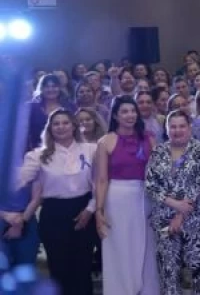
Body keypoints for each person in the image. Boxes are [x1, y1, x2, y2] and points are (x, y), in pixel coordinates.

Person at [18, 109, 97, 295]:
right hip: (54, 215)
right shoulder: (37, 155)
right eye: (56, 124)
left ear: (74, 126)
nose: (61, 127)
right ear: (50, 128)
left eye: (65, 122)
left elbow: (99, 184)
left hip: (84, 211)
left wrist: (90, 209)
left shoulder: (91, 149)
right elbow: (19, 182)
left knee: (82, 269)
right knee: (59, 269)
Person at [93, 95, 161, 295]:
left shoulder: (149, 138)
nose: (130, 115)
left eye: (133, 111)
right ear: (115, 115)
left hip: (145, 196)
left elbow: (159, 173)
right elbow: (101, 179)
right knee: (119, 248)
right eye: (124, 111)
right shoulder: (106, 141)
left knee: (147, 247)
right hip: (117, 198)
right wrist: (99, 210)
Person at [145, 110, 200, 295]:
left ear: (190, 128)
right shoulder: (158, 151)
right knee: (168, 274)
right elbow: (151, 184)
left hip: (196, 220)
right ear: (166, 129)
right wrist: (174, 205)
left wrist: (180, 214)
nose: (177, 130)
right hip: (164, 223)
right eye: (173, 126)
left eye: (182, 126)